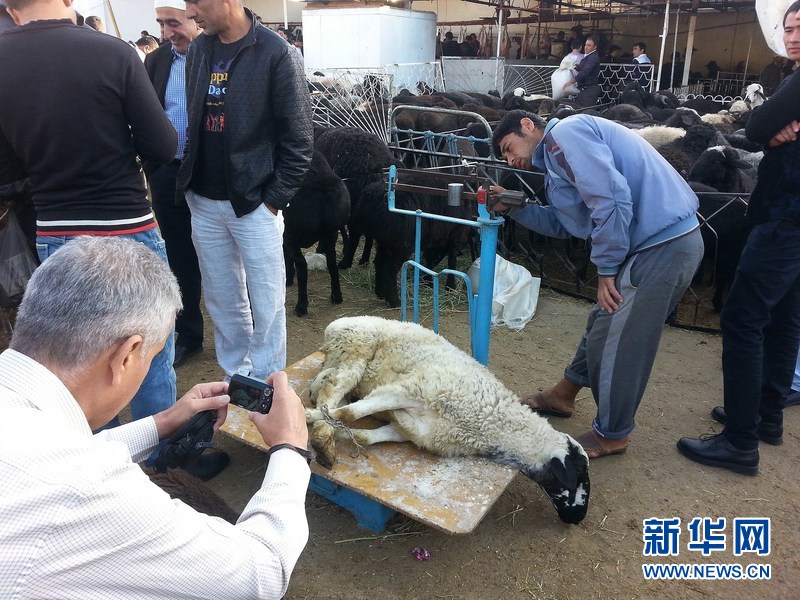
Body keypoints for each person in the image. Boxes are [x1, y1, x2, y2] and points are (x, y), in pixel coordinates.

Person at [0, 236, 311, 598]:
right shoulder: (90, 490)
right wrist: (290, 448)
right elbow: (260, 574)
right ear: (126, 355)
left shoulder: (34, 430)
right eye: (153, 354)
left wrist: (161, 423)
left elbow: (60, 453)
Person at [0, 0, 181, 435]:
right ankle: (165, 455)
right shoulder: (112, 51)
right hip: (126, 222)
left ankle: (96, 453)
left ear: (10, 7)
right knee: (148, 352)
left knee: (78, 360)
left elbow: (6, 169)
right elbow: (163, 144)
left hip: (56, 226)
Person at [491, 110, 703, 458]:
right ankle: (564, 394)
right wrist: (513, 207)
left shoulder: (567, 135)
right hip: (654, 243)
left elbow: (611, 198)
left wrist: (606, 269)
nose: (510, 160)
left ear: (527, 126)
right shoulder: (555, 160)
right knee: (602, 324)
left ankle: (612, 434)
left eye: (508, 148)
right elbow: (568, 225)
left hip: (663, 244)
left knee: (625, 340)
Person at [678, 1, 800, 476]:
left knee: (743, 319)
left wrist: (770, 130)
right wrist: (770, 131)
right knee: (784, 318)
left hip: (783, 217)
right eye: (788, 28)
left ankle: (739, 441)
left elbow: (755, 125)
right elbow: (762, 128)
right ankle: (766, 417)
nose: (793, 36)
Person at [177, 0, 313, 382]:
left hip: (255, 203)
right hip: (203, 200)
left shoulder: (276, 52)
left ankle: (266, 384)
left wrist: (273, 201)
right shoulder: (199, 50)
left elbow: (300, 139)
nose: (190, 13)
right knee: (222, 300)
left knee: (267, 304)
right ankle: (237, 380)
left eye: (196, 1)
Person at [145, 0, 205, 369]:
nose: (167, 33)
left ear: (195, 18)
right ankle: (190, 333)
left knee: (223, 256)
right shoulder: (156, 61)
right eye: (161, 24)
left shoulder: (218, 58)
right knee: (179, 256)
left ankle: (241, 336)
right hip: (168, 174)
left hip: (210, 176)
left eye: (173, 23)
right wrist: (153, 164)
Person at [566, 34, 601, 106]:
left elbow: (585, 72)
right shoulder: (588, 56)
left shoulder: (593, 58)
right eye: (585, 45)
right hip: (584, 89)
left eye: (589, 45)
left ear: (595, 47)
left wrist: (571, 82)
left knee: (584, 110)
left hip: (589, 90)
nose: (586, 47)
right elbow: (583, 68)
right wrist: (574, 66)